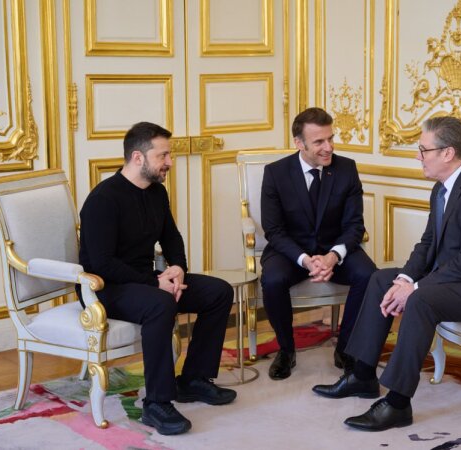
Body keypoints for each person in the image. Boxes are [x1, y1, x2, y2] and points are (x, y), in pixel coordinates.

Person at [312, 116, 461, 431]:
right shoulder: (443, 187)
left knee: (421, 300)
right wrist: (404, 279)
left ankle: (398, 404)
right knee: (380, 280)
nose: (418, 156)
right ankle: (362, 376)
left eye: (422, 149)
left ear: (447, 153)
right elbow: (428, 244)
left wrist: (414, 289)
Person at [79, 122, 236, 436]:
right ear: (138, 158)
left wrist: (177, 268)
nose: (169, 162)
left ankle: (193, 380)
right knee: (161, 303)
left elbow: (172, 237)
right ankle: (156, 404)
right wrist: (155, 284)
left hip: (147, 281)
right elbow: (101, 263)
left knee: (218, 292)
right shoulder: (103, 200)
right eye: (163, 155)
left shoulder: (156, 193)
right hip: (105, 288)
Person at [260, 107, 377, 380]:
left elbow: (354, 226)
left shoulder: (346, 169)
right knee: (273, 279)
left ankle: (346, 348)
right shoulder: (276, 173)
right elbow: (274, 231)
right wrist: (305, 259)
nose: (329, 147)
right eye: (319, 142)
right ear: (299, 143)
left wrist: (333, 257)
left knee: (369, 275)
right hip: (291, 252)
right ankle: (286, 350)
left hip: (335, 250)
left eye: (330, 138)